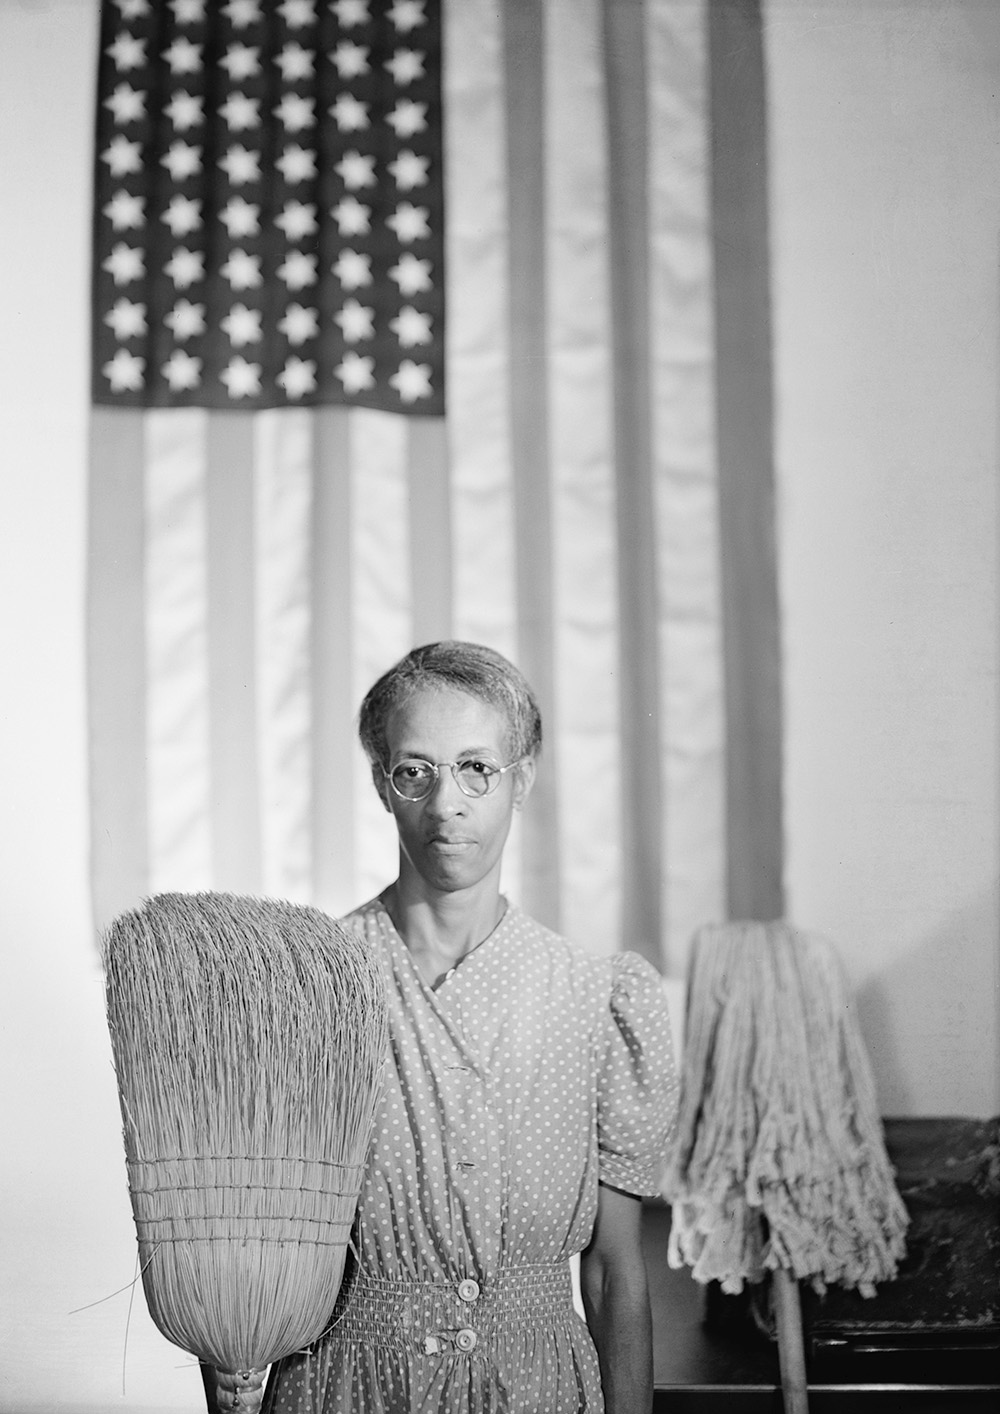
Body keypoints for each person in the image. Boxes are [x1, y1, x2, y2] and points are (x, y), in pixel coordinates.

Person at [211, 641, 678, 1413]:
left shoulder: (595, 998)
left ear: (521, 779)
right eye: (414, 770)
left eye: (476, 769)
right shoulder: (309, 986)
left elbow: (615, 1273)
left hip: (539, 1390)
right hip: (350, 1388)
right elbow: (249, 1256)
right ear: (381, 785)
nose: (445, 803)